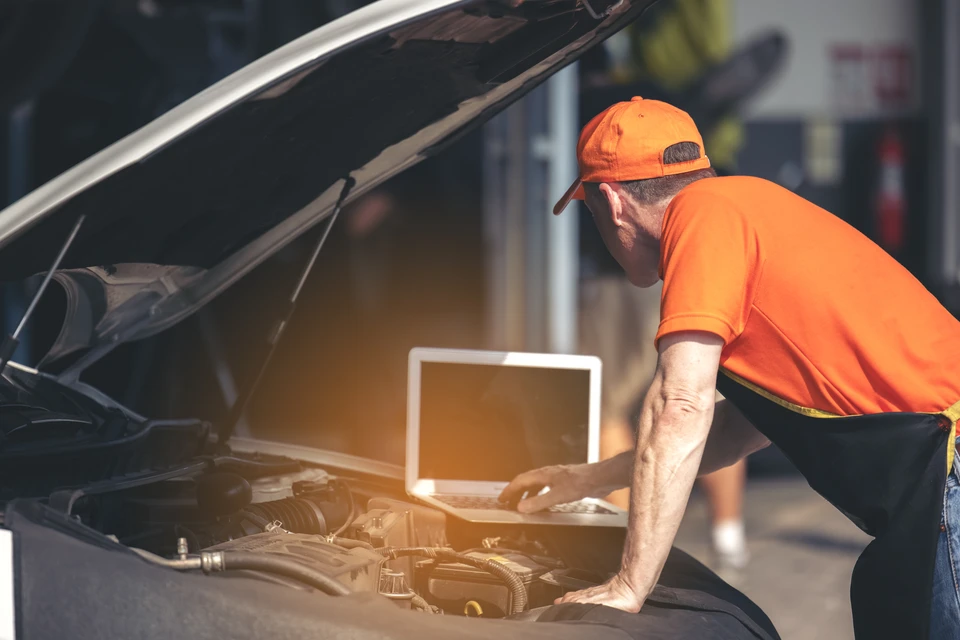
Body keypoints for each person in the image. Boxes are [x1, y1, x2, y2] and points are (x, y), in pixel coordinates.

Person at [499, 96, 960, 640]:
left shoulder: (703, 219)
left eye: (590, 211)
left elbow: (681, 404)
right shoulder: (748, 207)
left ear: (613, 203)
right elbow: (734, 429)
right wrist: (588, 479)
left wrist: (628, 586)